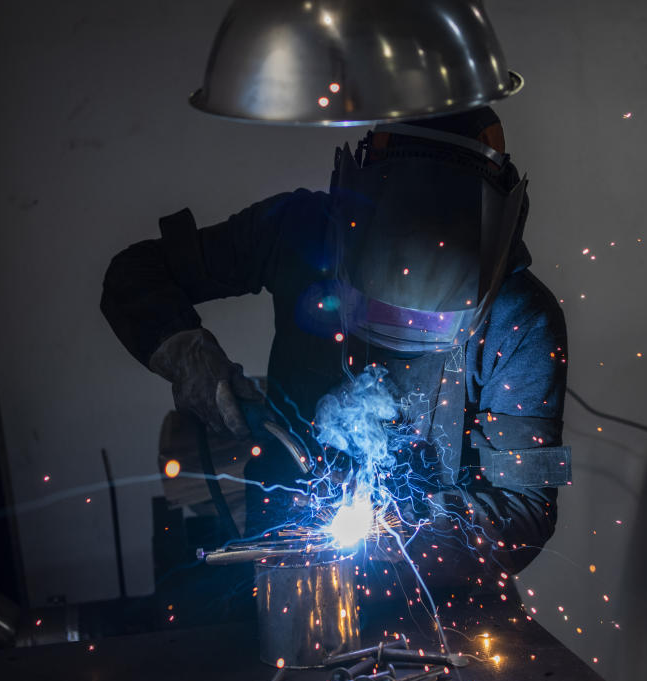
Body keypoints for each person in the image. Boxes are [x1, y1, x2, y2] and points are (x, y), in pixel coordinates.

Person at [101, 107, 568, 588]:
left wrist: (401, 523)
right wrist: (186, 352)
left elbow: (525, 511)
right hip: (289, 562)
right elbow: (134, 274)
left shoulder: (518, 318)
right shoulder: (300, 231)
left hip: (441, 593)